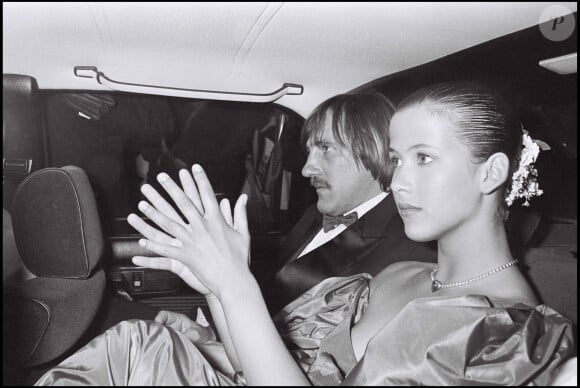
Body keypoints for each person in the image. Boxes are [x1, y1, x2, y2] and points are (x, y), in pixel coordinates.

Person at [34, 82, 574, 385]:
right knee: (134, 346)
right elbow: (259, 364)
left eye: (423, 158)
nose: (399, 179)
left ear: (491, 173)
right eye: (394, 159)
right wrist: (221, 281)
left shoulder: (512, 338)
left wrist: (237, 286)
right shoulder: (398, 276)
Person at [264, 92, 436, 311]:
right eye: (309, 151)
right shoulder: (313, 215)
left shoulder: (416, 250)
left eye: (325, 148)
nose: (307, 169)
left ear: (374, 149)